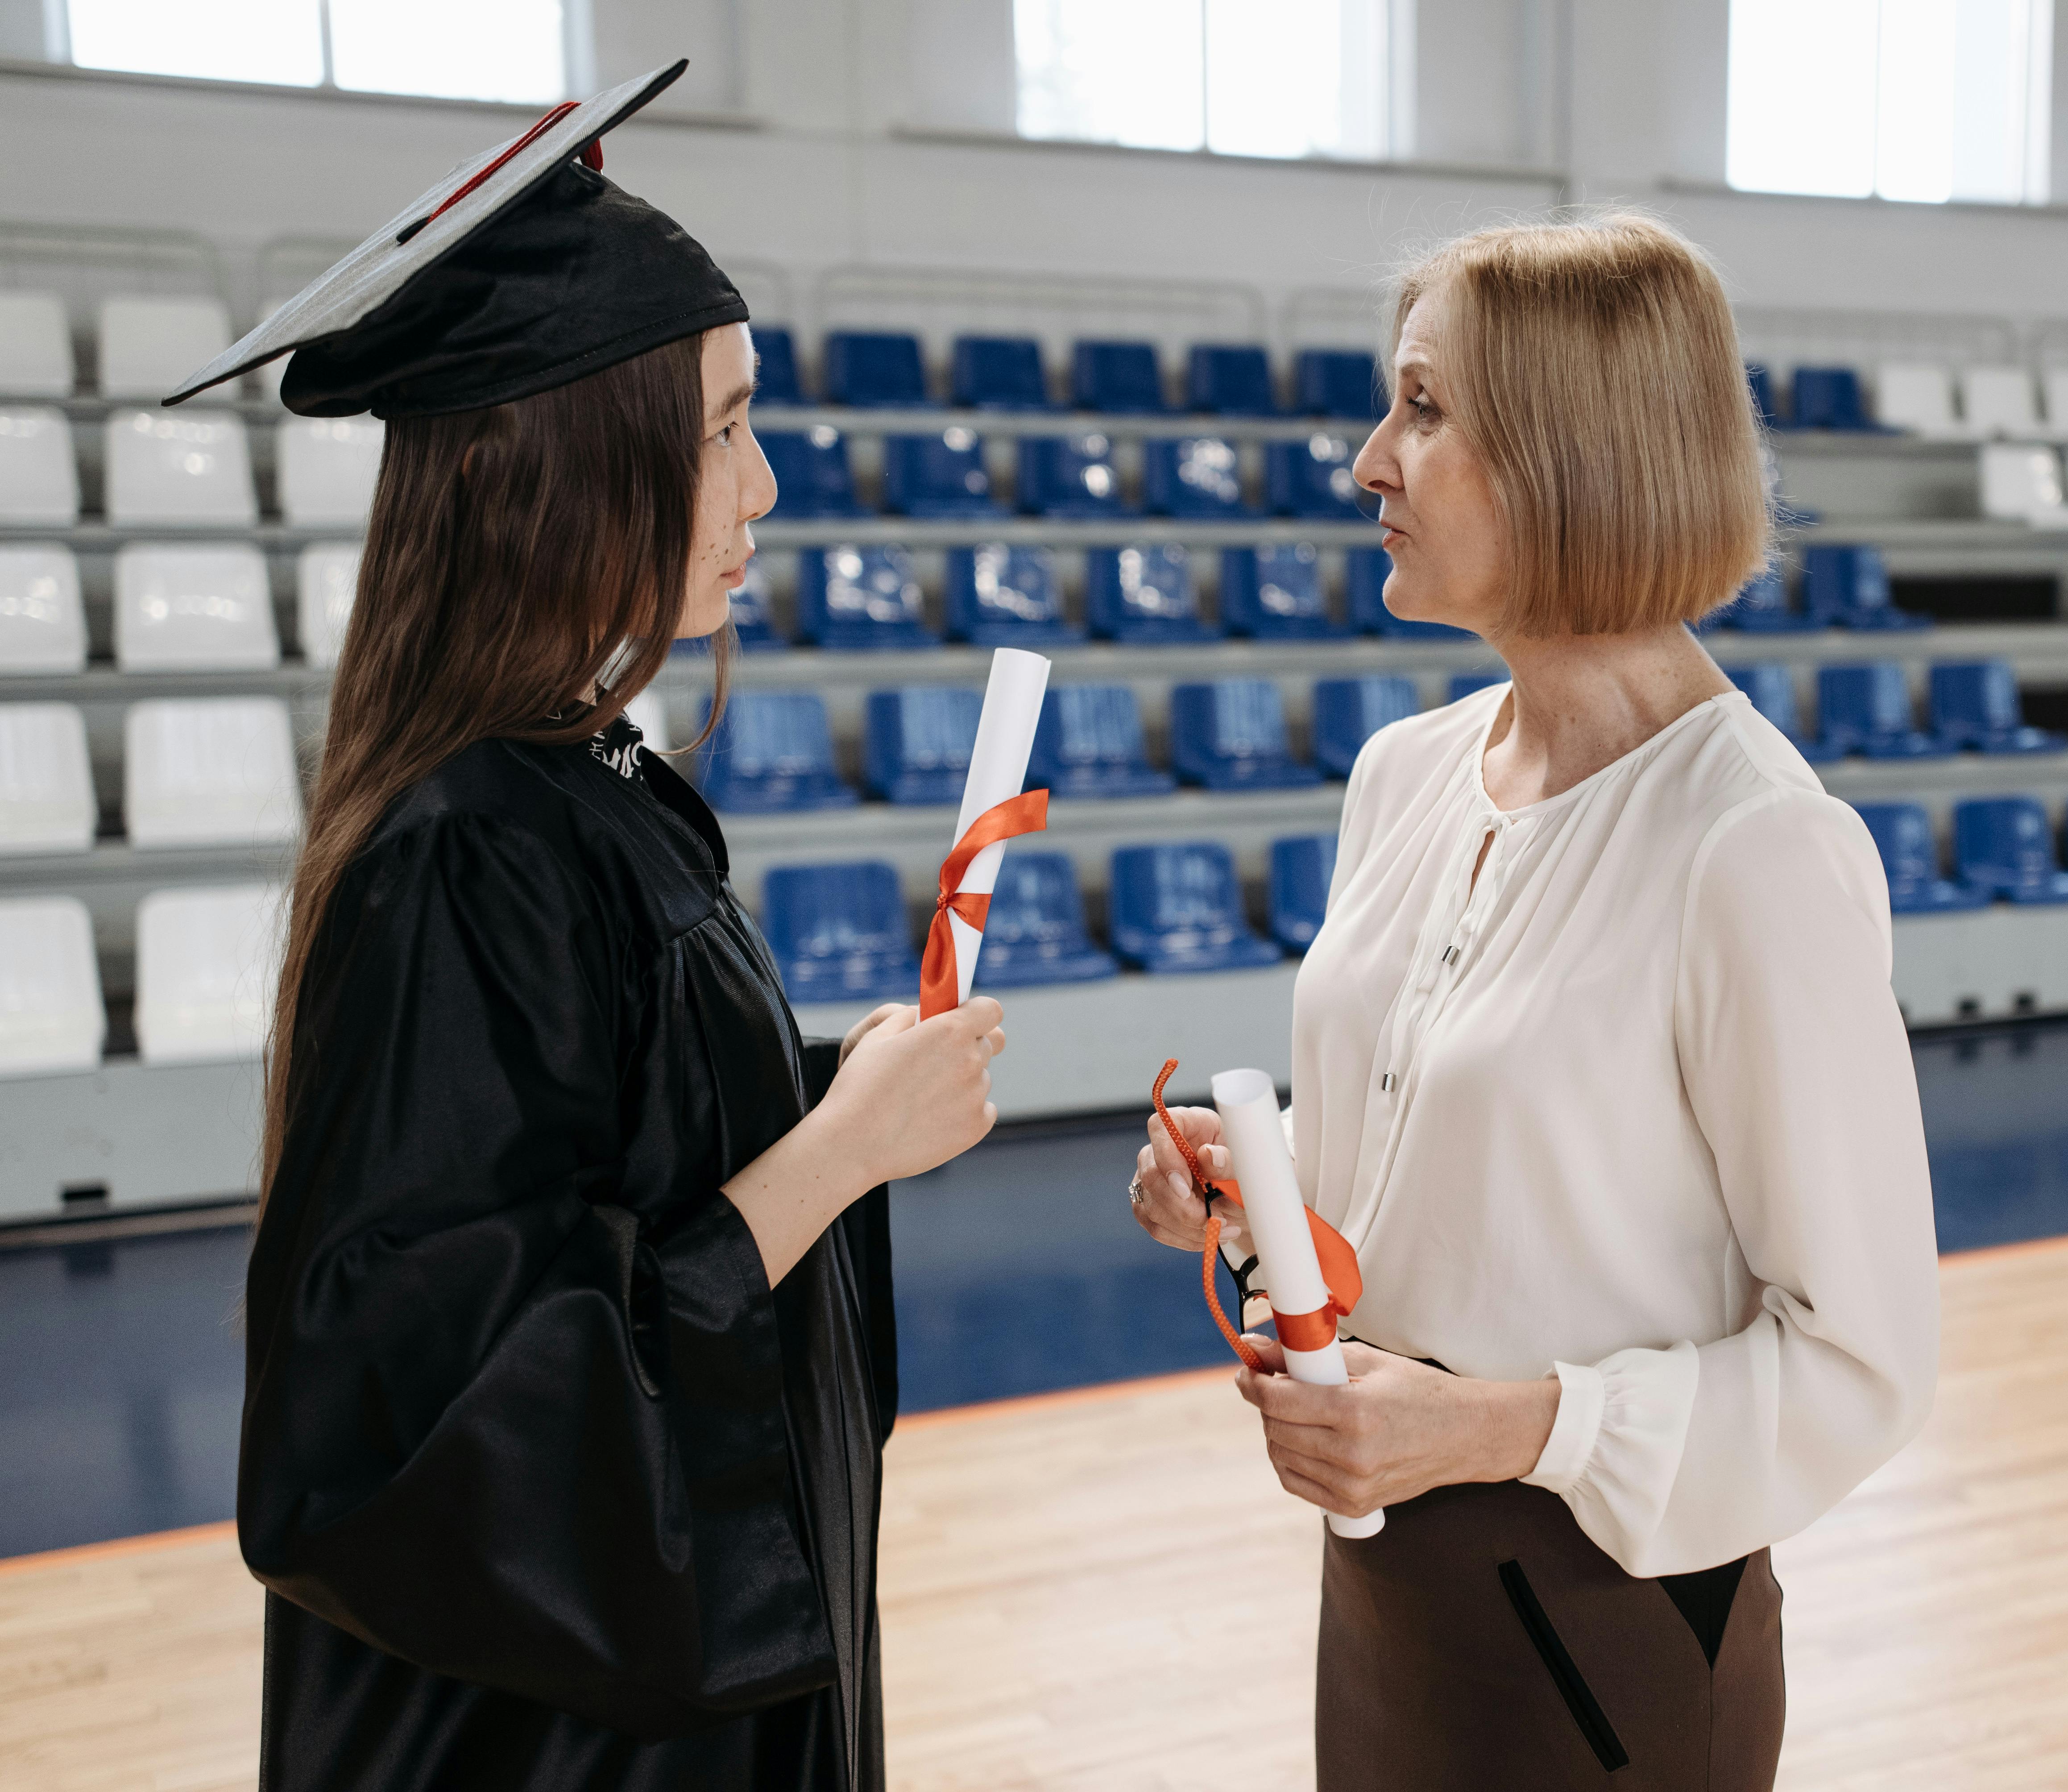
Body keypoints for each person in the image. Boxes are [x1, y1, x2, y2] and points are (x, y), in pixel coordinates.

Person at [195, 63, 1003, 1792]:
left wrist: (818, 1092)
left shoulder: (583, 787)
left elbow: (608, 1157)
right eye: (717, 427)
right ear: (569, 460)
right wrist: (833, 1157)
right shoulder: (460, 854)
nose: (764, 483)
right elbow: (443, 1407)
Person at [1129, 214, 1940, 1789]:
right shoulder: (1404, 775)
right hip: (1381, 1575)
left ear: (1574, 454)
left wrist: (1498, 1430)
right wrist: (1258, 1194)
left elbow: (1863, 1367)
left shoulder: (1757, 851)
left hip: (1606, 1618)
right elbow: (1458, 1153)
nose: (1371, 460)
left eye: (1424, 412)